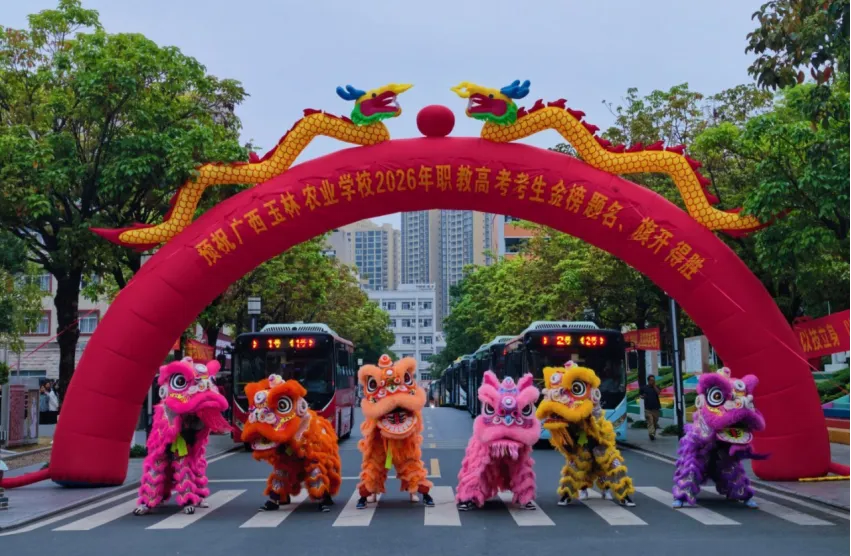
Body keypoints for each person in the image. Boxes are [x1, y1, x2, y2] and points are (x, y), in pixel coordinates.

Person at [639, 375, 661, 441]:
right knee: (650, 421)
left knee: (655, 423)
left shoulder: (657, 387)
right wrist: (642, 396)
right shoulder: (644, 388)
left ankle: (652, 434)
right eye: (651, 380)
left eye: (653, 380)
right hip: (648, 409)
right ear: (648, 381)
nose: (652, 381)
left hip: (656, 408)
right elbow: (640, 395)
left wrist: (654, 386)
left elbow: (658, 393)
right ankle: (651, 434)